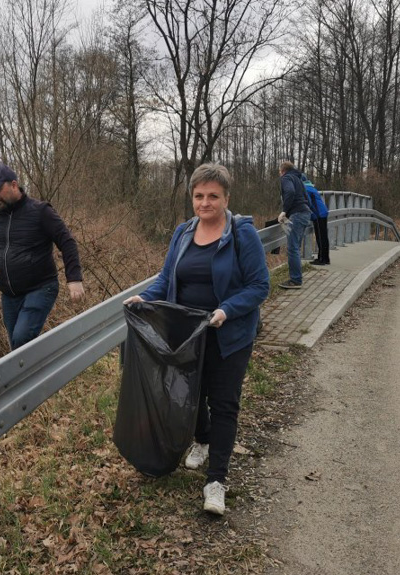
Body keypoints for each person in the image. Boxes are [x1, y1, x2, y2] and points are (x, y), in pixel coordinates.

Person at [123, 163, 270, 515]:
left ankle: (216, 480)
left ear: (226, 198)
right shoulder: (183, 233)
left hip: (228, 334)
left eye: (213, 196)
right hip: (187, 333)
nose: (205, 203)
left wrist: (227, 309)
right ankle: (201, 440)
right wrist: (146, 297)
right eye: (199, 196)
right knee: (190, 394)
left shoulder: (241, 234)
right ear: (192, 197)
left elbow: (258, 286)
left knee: (223, 403)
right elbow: (167, 277)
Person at [0, 162, 84, 350]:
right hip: (9, 295)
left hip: (40, 288)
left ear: (14, 185)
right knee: (17, 349)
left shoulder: (40, 211)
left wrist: (74, 278)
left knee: (22, 339)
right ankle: (36, 376)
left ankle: (46, 374)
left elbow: (67, 241)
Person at [277, 160, 313, 289]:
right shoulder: (299, 179)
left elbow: (290, 192)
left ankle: (295, 280)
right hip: (305, 213)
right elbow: (307, 198)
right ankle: (296, 278)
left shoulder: (286, 178)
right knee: (295, 247)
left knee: (292, 248)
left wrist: (284, 211)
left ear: (282, 171)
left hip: (297, 214)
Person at [302, 174, 330, 265]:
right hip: (322, 212)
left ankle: (321, 259)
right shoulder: (311, 188)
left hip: (318, 214)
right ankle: (326, 258)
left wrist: (311, 215)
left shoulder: (305, 189)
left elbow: (308, 203)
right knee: (324, 236)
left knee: (320, 237)